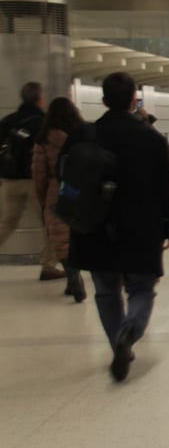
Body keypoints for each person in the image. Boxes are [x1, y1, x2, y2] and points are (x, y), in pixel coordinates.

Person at [64, 72, 169, 382]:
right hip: (141, 227)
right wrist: (168, 226)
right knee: (142, 288)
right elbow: (167, 187)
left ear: (102, 100)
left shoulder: (84, 136)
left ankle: (118, 342)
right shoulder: (151, 138)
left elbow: (67, 180)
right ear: (133, 101)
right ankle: (130, 330)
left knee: (105, 291)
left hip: (94, 227)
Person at [0, 81, 63, 281]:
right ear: (40, 99)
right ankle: (48, 265)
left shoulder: (8, 121)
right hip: (33, 181)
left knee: (7, 222)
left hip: (9, 181)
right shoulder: (43, 122)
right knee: (49, 222)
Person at [32, 97, 87, 302]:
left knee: (60, 239)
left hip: (57, 189)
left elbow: (39, 174)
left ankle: (73, 277)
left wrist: (42, 198)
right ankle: (73, 280)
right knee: (78, 235)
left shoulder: (44, 139)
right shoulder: (82, 133)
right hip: (82, 189)